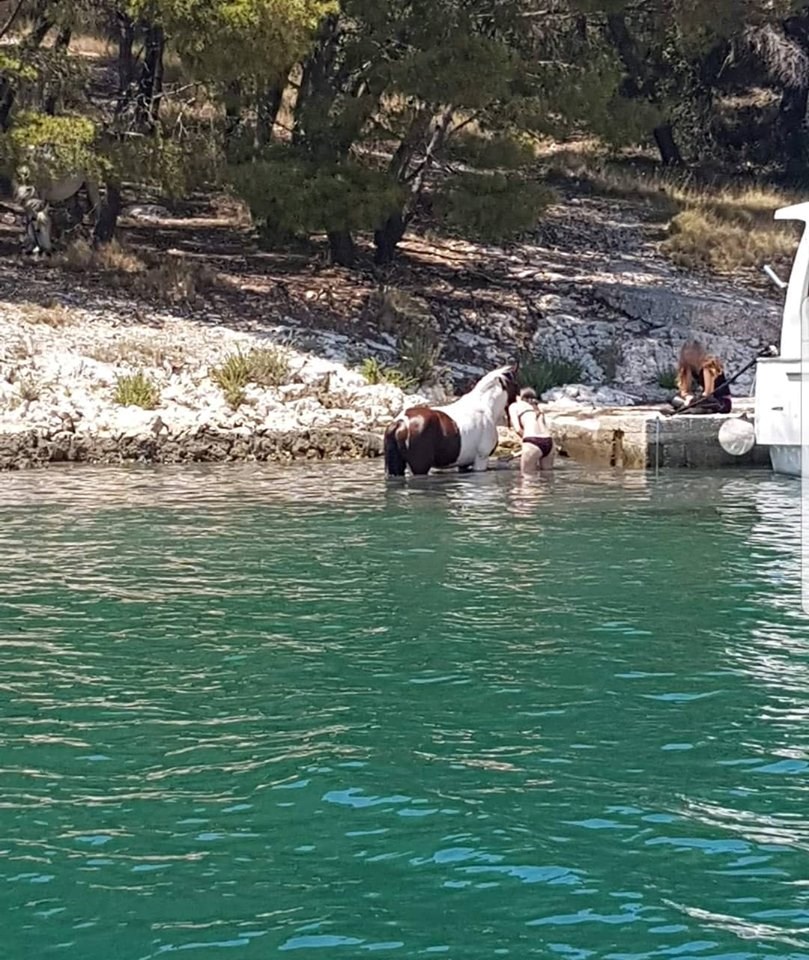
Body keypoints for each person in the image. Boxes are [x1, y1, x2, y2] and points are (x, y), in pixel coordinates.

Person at [670, 341, 732, 414]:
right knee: (674, 399)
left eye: (691, 354)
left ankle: (689, 409)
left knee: (704, 403)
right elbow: (685, 391)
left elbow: (708, 393)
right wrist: (688, 398)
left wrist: (695, 401)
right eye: (686, 354)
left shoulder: (708, 366)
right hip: (703, 399)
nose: (689, 357)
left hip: (719, 401)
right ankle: (690, 408)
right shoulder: (688, 368)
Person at [509, 387, 555, 473]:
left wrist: (527, 444)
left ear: (518, 396)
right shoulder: (537, 408)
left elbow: (517, 429)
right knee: (548, 478)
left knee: (527, 479)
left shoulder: (515, 406)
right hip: (549, 442)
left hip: (532, 441)